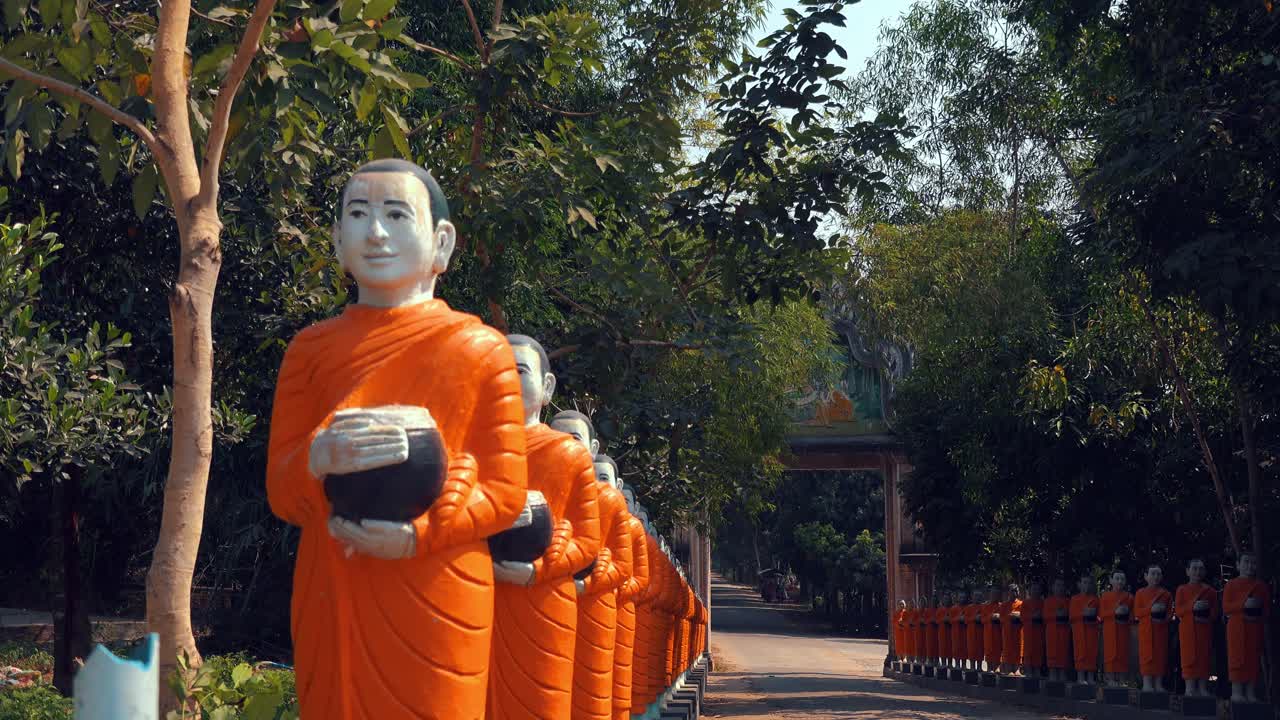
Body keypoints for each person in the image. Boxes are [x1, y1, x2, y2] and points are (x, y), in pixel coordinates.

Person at [267, 159, 528, 719]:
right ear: (338, 240)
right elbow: (281, 491)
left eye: (395, 215)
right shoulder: (310, 351)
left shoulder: (481, 350)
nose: (375, 233)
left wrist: (418, 536)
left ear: (441, 241)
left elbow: (505, 492)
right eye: (358, 215)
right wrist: (317, 457)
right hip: (336, 580)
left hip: (440, 589)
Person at [1174, 559, 1218, 697]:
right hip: (1188, 630)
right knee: (1188, 658)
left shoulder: (1210, 591)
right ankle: (1190, 687)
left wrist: (1206, 611)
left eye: (1201, 569)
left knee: (1204, 657)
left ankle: (1203, 687)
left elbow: (1215, 612)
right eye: (1194, 569)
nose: (1198, 572)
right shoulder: (1182, 589)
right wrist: (1192, 606)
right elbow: (1178, 611)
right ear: (1187, 571)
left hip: (1204, 629)